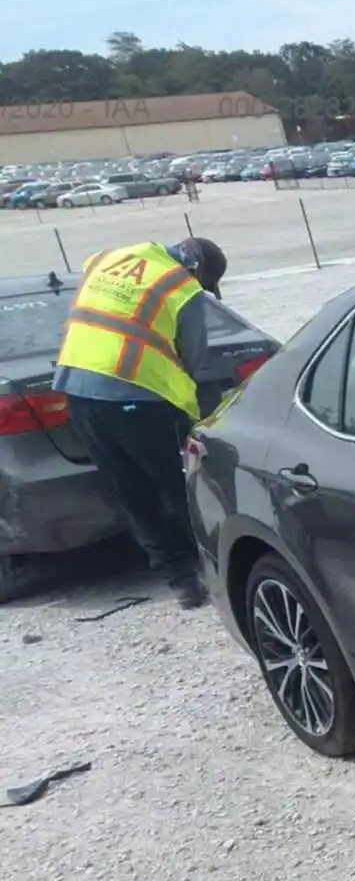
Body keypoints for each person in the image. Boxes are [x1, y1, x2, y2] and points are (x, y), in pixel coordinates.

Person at [52, 237, 228, 609]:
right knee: (180, 487)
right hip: (136, 395)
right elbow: (192, 356)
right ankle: (218, 572)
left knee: (130, 491)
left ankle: (181, 582)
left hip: (78, 388)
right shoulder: (182, 288)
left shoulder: (107, 255)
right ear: (198, 270)